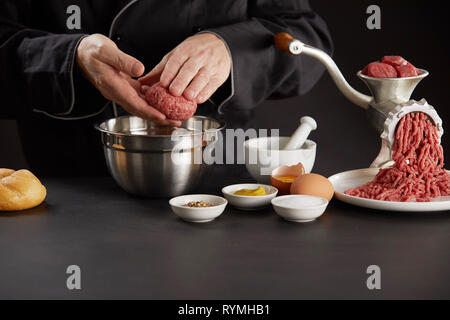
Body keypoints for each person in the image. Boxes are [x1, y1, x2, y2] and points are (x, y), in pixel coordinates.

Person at [0, 0, 332, 176]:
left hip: (220, 179)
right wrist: (71, 57)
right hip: (74, 182)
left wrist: (232, 48)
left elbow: (307, 37)